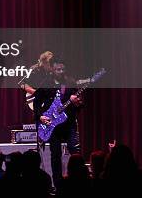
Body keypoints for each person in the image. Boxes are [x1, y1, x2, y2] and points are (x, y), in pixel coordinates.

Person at [33, 57, 82, 187]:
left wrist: (77, 103)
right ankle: (58, 185)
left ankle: (78, 183)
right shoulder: (46, 82)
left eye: (62, 69)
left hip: (69, 123)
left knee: (75, 153)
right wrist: (40, 117)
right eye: (57, 69)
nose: (60, 71)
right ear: (52, 69)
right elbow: (36, 102)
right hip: (53, 125)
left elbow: (80, 104)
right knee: (56, 155)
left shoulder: (70, 82)